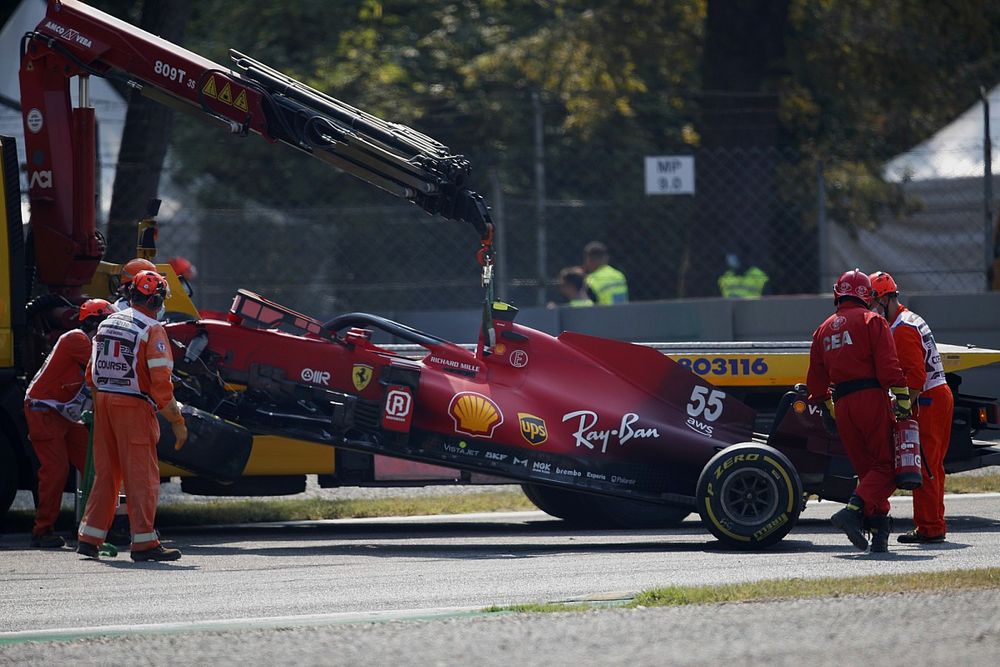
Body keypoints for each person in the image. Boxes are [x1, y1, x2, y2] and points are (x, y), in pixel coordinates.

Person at [77, 270, 188, 562]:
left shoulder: (108, 321)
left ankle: (90, 537)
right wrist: (177, 421)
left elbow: (92, 371)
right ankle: (144, 543)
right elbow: (161, 384)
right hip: (133, 406)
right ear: (155, 300)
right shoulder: (152, 329)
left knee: (107, 474)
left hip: (103, 401)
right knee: (141, 476)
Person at [806, 269, 911, 553]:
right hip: (870, 398)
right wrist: (903, 400)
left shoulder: (823, 330)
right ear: (867, 295)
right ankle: (852, 511)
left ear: (838, 293)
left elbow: (815, 383)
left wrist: (827, 408)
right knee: (888, 468)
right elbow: (889, 368)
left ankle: (879, 533)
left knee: (869, 472)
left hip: (842, 404)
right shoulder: (872, 321)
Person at [870, 271, 955, 543]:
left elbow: (914, 377)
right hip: (936, 395)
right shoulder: (909, 319)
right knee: (932, 465)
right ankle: (931, 524)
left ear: (883, 299)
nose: (871, 311)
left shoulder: (902, 328)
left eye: (872, 304)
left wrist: (902, 409)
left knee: (925, 465)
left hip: (927, 399)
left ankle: (930, 529)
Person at [23, 299, 114, 548]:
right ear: (96, 322)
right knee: (56, 471)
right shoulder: (77, 340)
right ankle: (42, 531)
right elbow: (104, 371)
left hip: (63, 413)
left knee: (93, 465)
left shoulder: (87, 342)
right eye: (108, 323)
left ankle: (93, 527)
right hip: (44, 410)